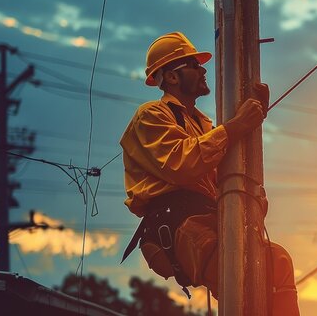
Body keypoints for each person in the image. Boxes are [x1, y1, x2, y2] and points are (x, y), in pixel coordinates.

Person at [120, 32, 300, 315]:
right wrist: (235, 127)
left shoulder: (203, 125)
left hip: (206, 217)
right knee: (241, 279)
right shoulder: (151, 115)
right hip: (176, 222)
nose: (203, 69)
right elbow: (181, 164)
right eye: (193, 64)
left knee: (277, 262)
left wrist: (253, 122)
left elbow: (225, 181)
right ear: (172, 77)